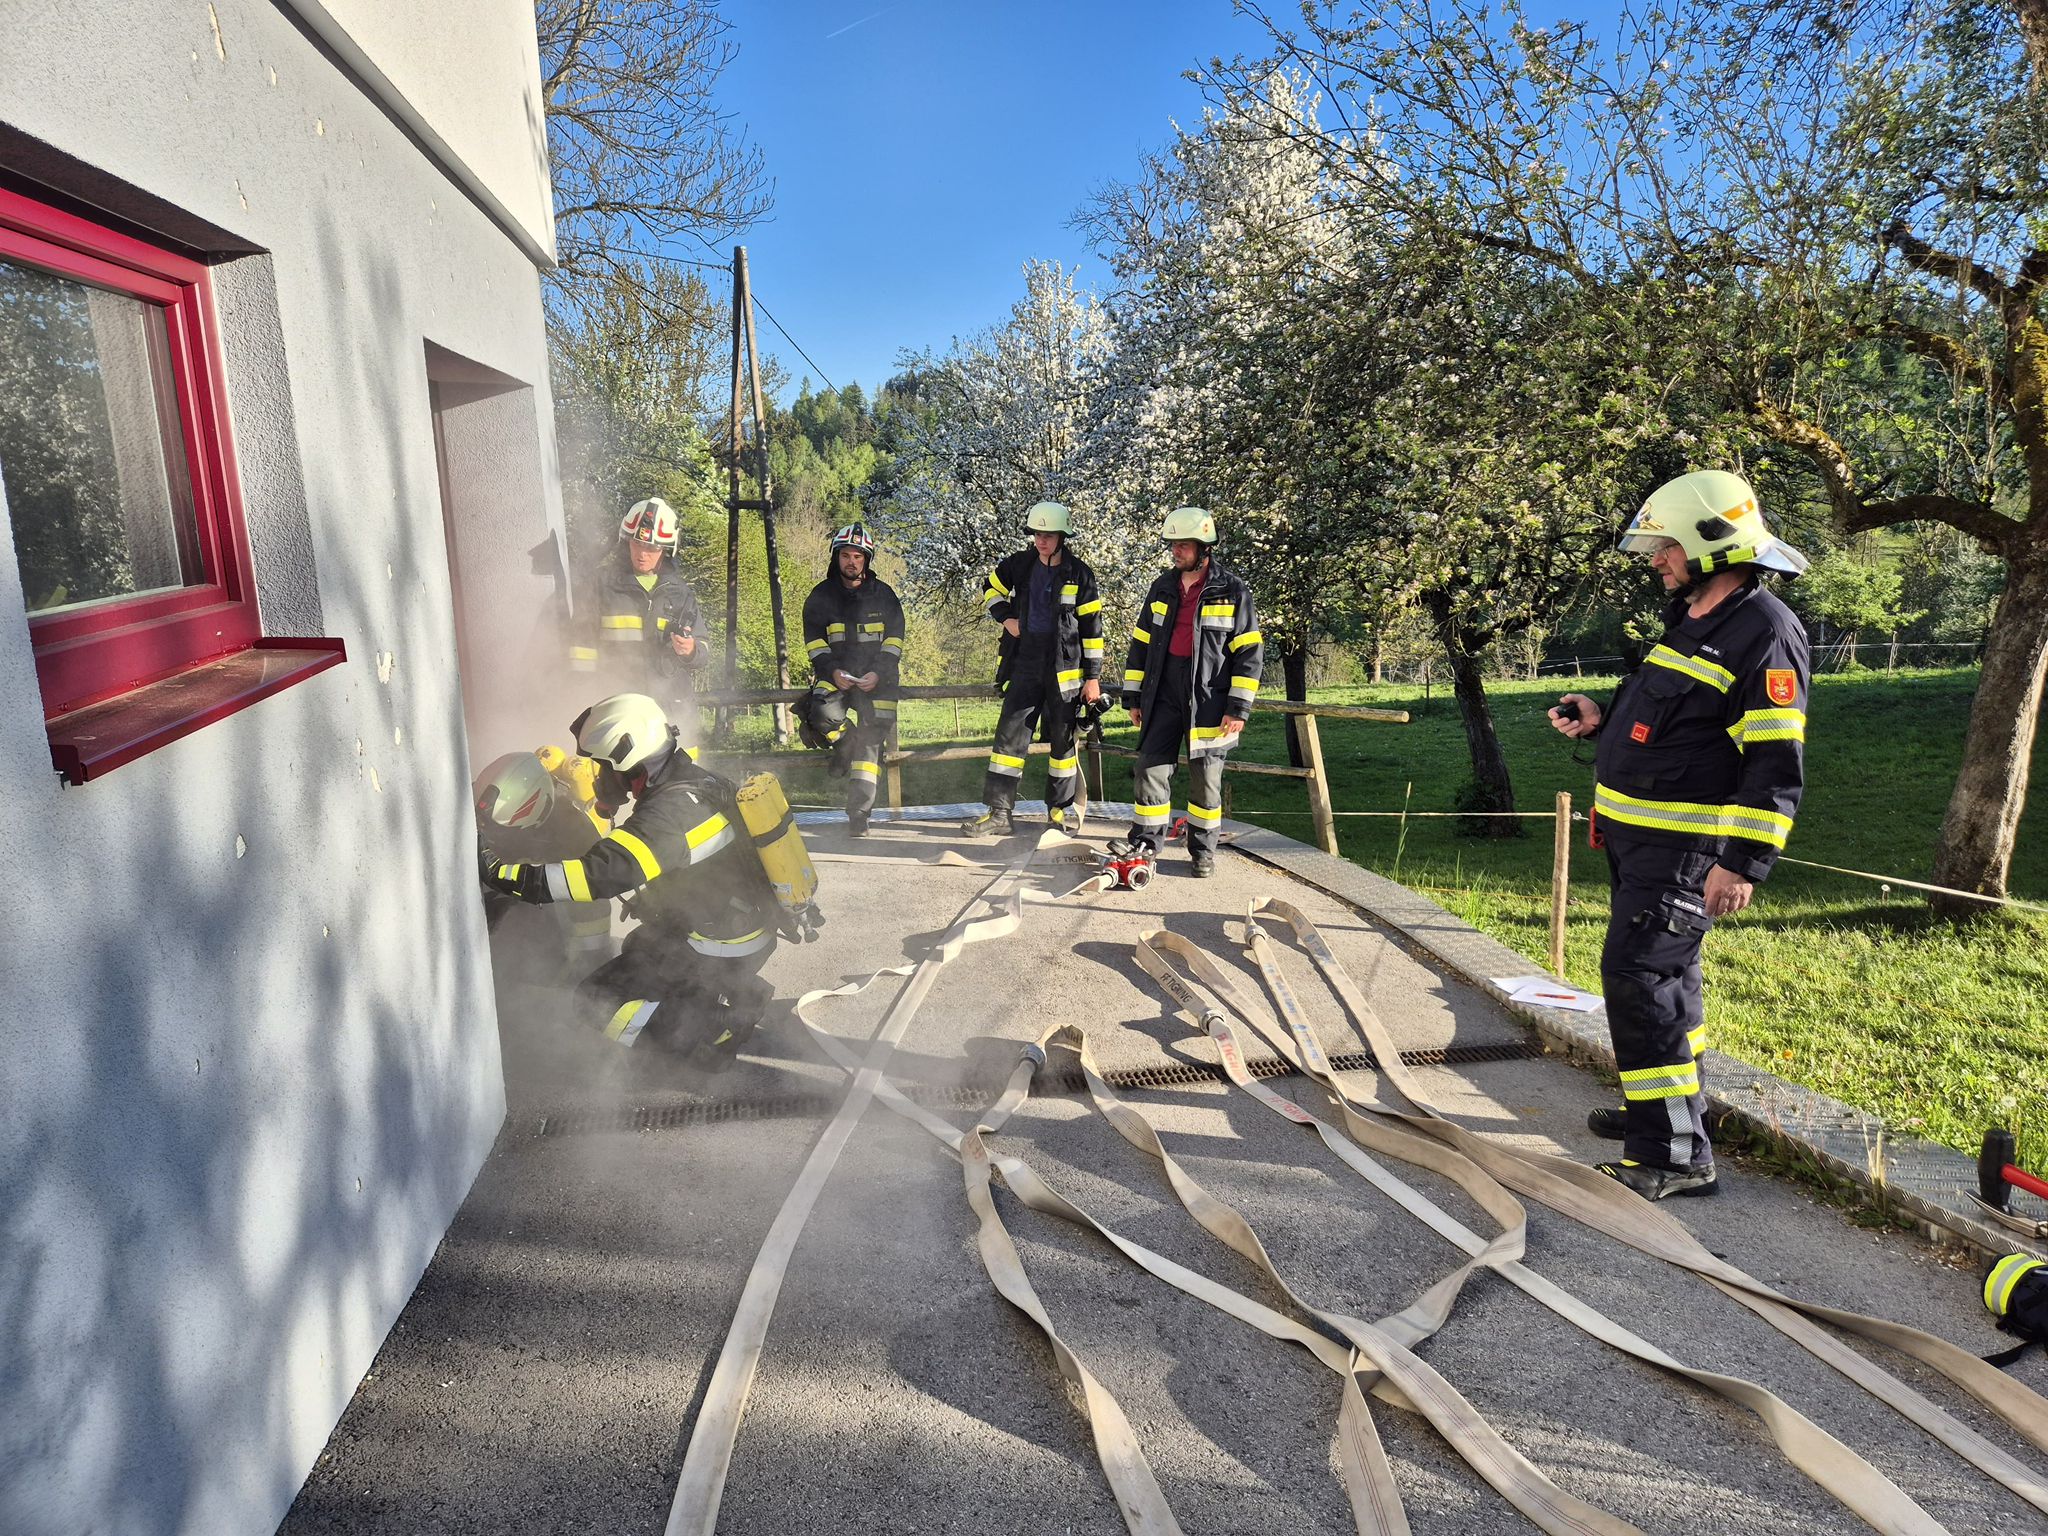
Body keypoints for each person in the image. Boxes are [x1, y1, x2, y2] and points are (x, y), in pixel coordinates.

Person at [1549, 469, 1810, 1200]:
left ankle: (1673, 1154)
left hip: (1685, 856)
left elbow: (1774, 761)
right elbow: (1682, 721)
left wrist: (1743, 863)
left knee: (1642, 981)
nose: (1657, 560)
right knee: (1670, 983)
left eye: (1666, 547)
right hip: (1640, 846)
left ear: (1711, 544)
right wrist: (1602, 719)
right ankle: (1668, 1111)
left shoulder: (1764, 632)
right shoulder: (1697, 616)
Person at [480, 693, 777, 1067]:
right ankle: (731, 990)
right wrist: (662, 899)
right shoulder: (692, 783)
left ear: (628, 759)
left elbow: (596, 876)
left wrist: (500, 874)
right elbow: (707, 867)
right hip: (736, 922)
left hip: (722, 944)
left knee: (598, 1002)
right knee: (639, 946)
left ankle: (716, 1031)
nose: (600, 777)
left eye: (604, 766)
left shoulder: (671, 813)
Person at [1110, 507, 1263, 877]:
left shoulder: (1232, 591)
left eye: (1183, 545)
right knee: (1149, 768)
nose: (1175, 551)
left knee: (1206, 780)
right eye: (1173, 544)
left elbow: (1249, 653)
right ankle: (1145, 844)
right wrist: (1133, 697)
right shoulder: (1162, 587)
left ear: (1204, 547)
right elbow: (1141, 645)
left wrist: (1238, 707)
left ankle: (1202, 851)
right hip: (1162, 693)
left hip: (1210, 700)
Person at [963, 501, 1106, 836]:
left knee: (1062, 744)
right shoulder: (1019, 564)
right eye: (1037, 534)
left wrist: (1093, 678)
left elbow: (1093, 629)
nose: (1041, 541)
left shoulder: (1080, 574)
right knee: (1008, 740)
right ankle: (1000, 813)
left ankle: (1057, 813)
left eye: (1048, 535)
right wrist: (1006, 618)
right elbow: (990, 588)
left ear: (1062, 537)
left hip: (1064, 671)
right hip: (1025, 664)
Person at [568, 497, 709, 739]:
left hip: (670, 707)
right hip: (616, 704)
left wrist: (691, 650)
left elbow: (703, 648)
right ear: (626, 542)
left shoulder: (681, 593)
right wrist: (584, 691)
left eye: (652, 548)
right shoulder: (601, 585)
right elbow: (581, 644)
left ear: (667, 549)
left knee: (681, 762)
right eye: (637, 544)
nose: (642, 554)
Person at [799, 522, 905, 835]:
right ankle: (846, 744)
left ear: (867, 560)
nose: (852, 562)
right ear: (836, 557)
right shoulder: (820, 596)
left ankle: (859, 815)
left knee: (871, 745)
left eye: (858, 557)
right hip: (837, 674)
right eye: (846, 555)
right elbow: (814, 643)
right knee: (821, 711)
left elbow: (894, 641)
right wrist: (832, 671)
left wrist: (878, 673)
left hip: (879, 680)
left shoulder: (885, 595)